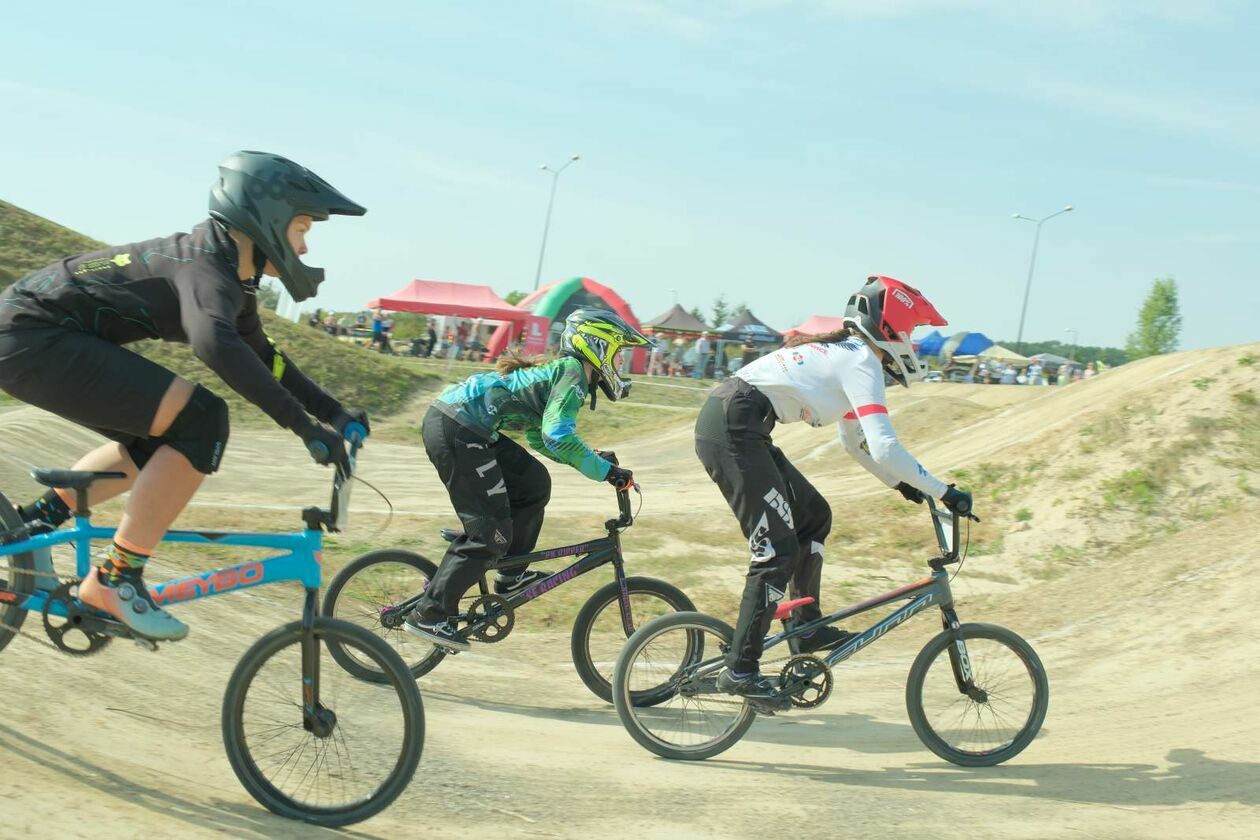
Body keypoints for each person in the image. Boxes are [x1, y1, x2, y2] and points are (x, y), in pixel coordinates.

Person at [0, 151, 369, 641]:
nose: (303, 248)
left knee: (161, 437)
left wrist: (333, 413)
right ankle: (116, 579)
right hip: (33, 336)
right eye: (301, 229)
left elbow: (265, 358)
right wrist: (303, 429)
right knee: (201, 420)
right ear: (268, 222)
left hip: (29, 334)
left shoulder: (224, 271)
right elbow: (215, 345)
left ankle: (36, 525)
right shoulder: (205, 270)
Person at [693, 276, 974, 701]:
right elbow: (883, 444)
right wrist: (942, 491)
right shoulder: (861, 360)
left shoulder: (853, 355)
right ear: (892, 327)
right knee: (776, 552)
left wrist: (898, 482)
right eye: (912, 332)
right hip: (733, 427)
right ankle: (741, 670)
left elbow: (855, 442)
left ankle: (805, 629)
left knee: (813, 516)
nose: (913, 343)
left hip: (742, 424)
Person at [404, 308, 650, 650]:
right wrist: (605, 471)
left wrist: (595, 458)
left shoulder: (565, 372)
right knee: (490, 532)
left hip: (462, 424)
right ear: (598, 345)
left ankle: (510, 574)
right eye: (618, 354)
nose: (619, 363)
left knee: (534, 482)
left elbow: (541, 439)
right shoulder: (574, 372)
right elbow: (557, 435)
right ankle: (430, 614)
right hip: (458, 427)